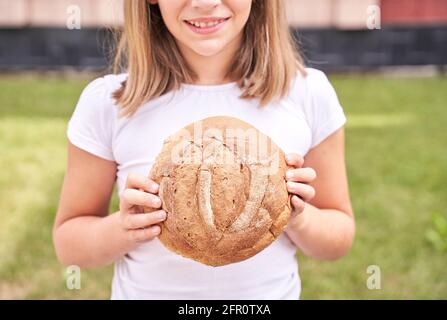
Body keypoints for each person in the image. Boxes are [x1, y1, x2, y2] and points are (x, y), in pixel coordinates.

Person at [53, 0, 355, 299]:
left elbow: (338, 239)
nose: (206, 2)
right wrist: (123, 227)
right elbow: (70, 246)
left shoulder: (306, 94)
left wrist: (297, 216)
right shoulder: (109, 104)